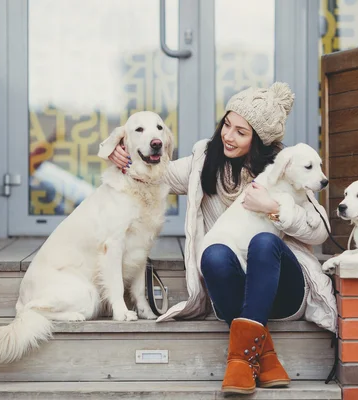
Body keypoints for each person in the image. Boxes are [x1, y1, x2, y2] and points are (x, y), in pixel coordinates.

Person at [99, 82, 337, 395]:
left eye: (241, 131)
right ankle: (262, 355)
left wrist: (274, 209)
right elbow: (154, 170)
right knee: (211, 254)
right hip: (230, 291)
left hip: (283, 289)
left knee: (263, 243)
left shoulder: (286, 168)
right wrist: (121, 152)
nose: (228, 135)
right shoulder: (203, 161)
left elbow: (319, 230)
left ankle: (239, 360)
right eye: (227, 124)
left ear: (258, 140)